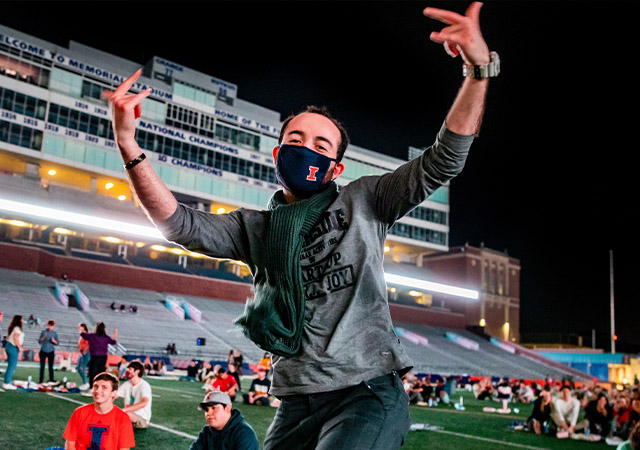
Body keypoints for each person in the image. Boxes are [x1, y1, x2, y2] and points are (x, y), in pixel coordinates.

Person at [103, 3, 493, 447]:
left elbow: (443, 160)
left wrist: (479, 71)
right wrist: (127, 143)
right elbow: (179, 225)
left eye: (320, 144)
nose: (306, 148)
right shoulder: (256, 229)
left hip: (364, 394)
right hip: (295, 400)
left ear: (334, 168)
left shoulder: (366, 198)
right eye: (295, 140)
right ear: (277, 155)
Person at [63, 372, 135, 450]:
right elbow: (70, 443)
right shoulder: (79, 413)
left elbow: (124, 449)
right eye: (95, 386)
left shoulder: (123, 418)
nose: (97, 391)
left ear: (113, 393)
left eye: (104, 387)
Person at [190, 390, 259, 450]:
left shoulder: (244, 433)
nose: (208, 413)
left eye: (214, 408)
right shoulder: (207, 431)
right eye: (206, 409)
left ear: (227, 408)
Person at [117, 360, 152, 429]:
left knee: (124, 414)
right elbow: (114, 396)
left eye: (130, 369)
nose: (127, 371)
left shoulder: (144, 385)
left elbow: (144, 403)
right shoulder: (127, 384)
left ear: (137, 371)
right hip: (129, 415)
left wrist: (124, 410)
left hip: (142, 419)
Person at [81, 322, 118, 388]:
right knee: (101, 373)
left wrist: (82, 329)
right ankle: (100, 387)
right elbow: (114, 342)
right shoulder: (106, 337)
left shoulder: (92, 336)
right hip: (103, 357)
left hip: (94, 357)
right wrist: (115, 333)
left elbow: (83, 335)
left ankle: (91, 388)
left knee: (92, 372)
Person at [2, 315, 24, 390]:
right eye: (21, 319)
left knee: (11, 365)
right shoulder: (17, 328)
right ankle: (6, 383)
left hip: (10, 346)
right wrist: (20, 347)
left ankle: (8, 380)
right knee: (12, 366)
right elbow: (16, 338)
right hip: (13, 347)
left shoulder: (13, 328)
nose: (22, 321)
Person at [38, 319, 59, 384]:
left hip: (51, 351)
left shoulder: (54, 333)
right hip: (43, 350)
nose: (50, 327)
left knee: (51, 366)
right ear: (48, 325)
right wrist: (42, 338)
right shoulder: (43, 332)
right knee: (42, 366)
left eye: (52, 326)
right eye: (49, 325)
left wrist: (54, 341)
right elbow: (39, 341)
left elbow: (57, 343)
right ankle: (41, 380)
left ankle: (51, 379)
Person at [77, 323, 91, 390]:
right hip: (82, 353)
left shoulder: (86, 335)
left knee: (81, 368)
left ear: (83, 327)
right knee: (79, 368)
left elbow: (89, 343)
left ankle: (85, 383)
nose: (78, 328)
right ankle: (85, 382)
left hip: (86, 353)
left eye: (80, 327)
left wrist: (86, 350)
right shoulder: (82, 335)